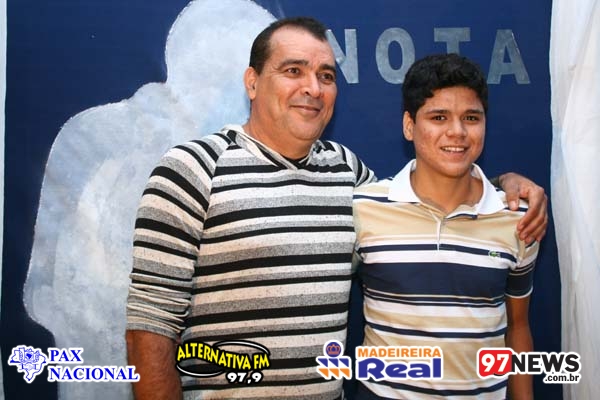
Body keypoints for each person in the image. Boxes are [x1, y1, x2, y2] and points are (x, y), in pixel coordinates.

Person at [126, 18, 547, 400]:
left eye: (325, 75)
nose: (313, 87)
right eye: (293, 71)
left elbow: (430, 191)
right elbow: (150, 327)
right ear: (252, 82)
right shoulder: (193, 168)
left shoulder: (347, 172)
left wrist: (502, 185)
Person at [353, 53, 539, 399]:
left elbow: (518, 327)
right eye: (439, 117)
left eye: (471, 117)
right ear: (409, 125)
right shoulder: (364, 209)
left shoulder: (518, 218)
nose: (457, 131)